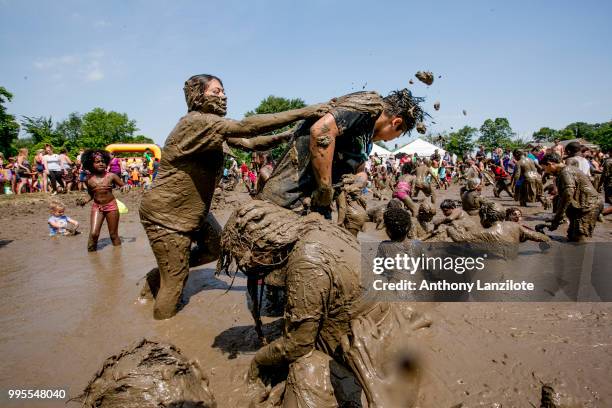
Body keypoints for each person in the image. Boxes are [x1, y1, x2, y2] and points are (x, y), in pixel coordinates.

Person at [138, 73, 331, 320]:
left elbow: (251, 143)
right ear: (197, 96)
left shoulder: (211, 127)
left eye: (224, 91)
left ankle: (159, 275)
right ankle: (161, 330)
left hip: (194, 212)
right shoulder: (196, 123)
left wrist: (289, 135)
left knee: (216, 248)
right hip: (166, 215)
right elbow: (246, 126)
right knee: (175, 284)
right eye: (216, 92)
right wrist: (306, 111)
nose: (224, 96)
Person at [217, 201, 364, 407]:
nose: (247, 267)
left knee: (305, 370)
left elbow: (298, 346)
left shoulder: (306, 260)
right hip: (381, 318)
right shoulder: (316, 224)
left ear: (259, 249)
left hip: (368, 346)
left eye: (246, 261)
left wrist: (257, 362)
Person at [258, 89, 427, 221]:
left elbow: (360, 170)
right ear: (395, 122)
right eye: (398, 134)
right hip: (287, 200)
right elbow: (321, 131)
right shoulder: (365, 107)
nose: (392, 140)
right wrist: (324, 188)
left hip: (316, 208)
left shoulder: (367, 139)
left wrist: (359, 181)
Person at [540, 153, 600, 242]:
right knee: (572, 236)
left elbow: (568, 193)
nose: (546, 171)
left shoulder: (566, 171)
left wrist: (558, 217)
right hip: (582, 206)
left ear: (550, 164)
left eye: (545, 168)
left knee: (580, 238)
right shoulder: (564, 171)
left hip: (588, 207)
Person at [78, 149, 125, 251]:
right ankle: (91, 252)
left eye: (103, 161)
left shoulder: (111, 176)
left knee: (113, 235)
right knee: (94, 233)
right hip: (97, 207)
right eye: (98, 162)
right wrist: (85, 200)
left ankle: (117, 257)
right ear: (91, 164)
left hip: (111, 206)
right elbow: (91, 194)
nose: (101, 163)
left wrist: (125, 188)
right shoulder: (88, 179)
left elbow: (123, 186)